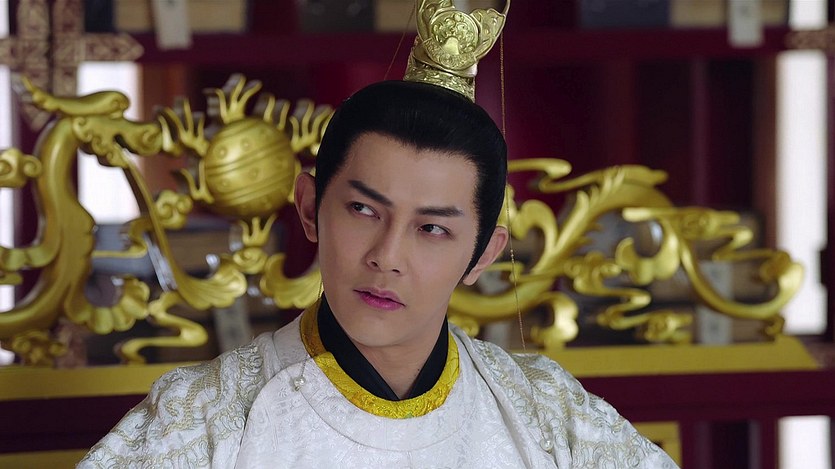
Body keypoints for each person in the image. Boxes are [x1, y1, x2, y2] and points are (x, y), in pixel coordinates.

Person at [79, 2, 678, 467]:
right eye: (364, 210)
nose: (387, 257)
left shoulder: (551, 417)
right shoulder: (202, 423)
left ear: (482, 254)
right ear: (310, 207)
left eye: (432, 228)